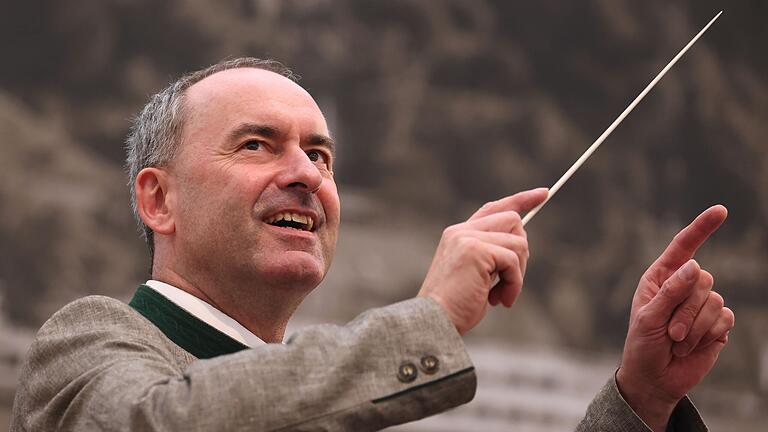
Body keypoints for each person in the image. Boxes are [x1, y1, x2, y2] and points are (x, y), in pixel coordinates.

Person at [11, 58, 734, 432]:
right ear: (157, 198)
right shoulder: (87, 345)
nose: (306, 175)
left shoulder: (338, 402)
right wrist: (432, 320)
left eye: (321, 157)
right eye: (258, 145)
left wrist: (641, 402)